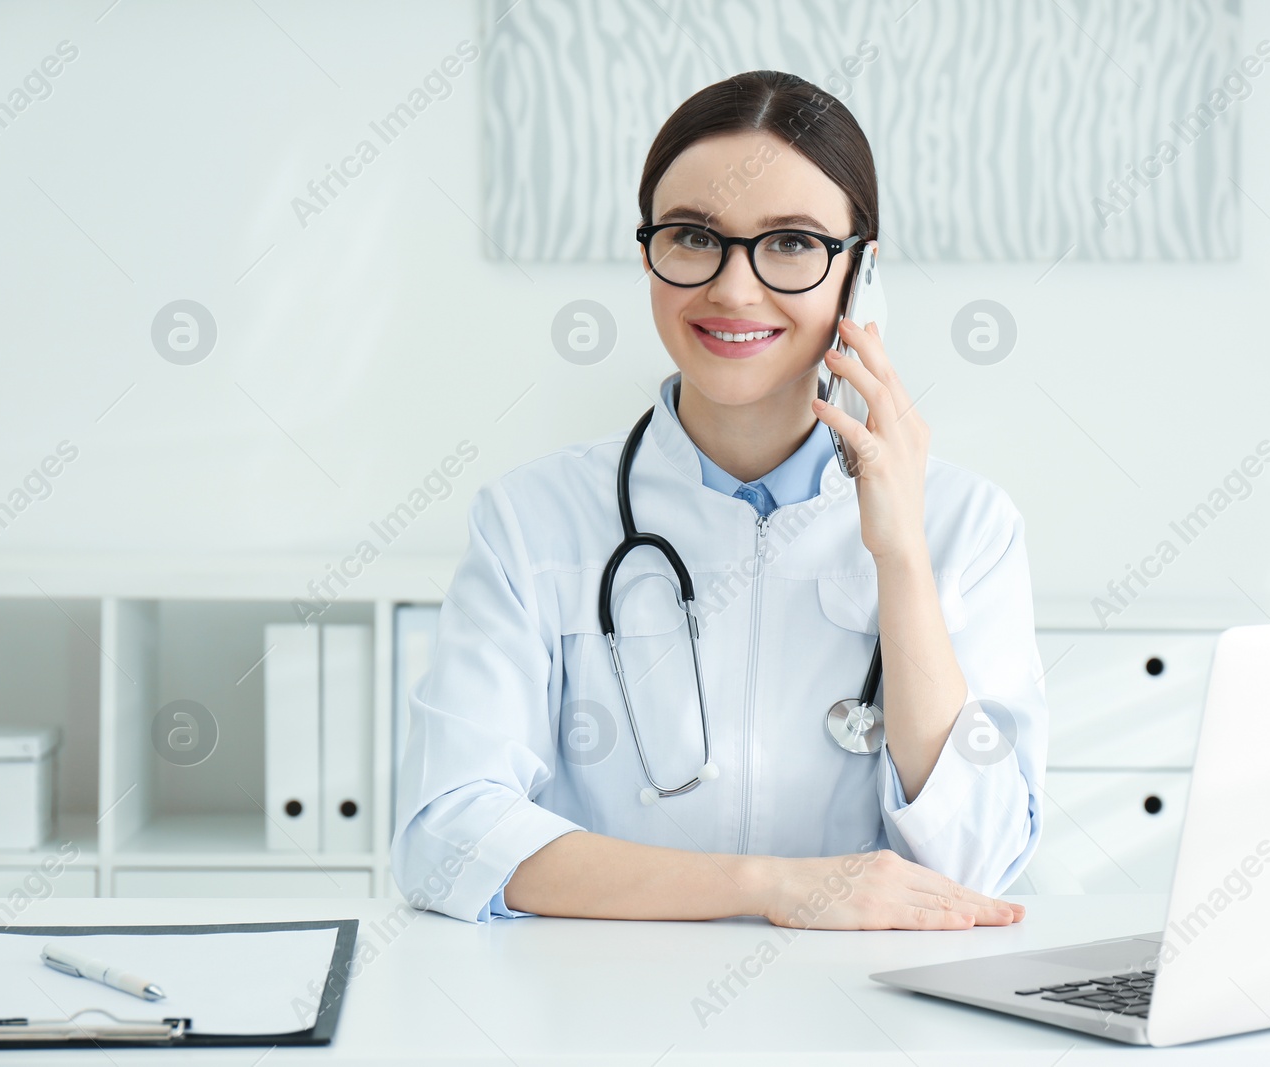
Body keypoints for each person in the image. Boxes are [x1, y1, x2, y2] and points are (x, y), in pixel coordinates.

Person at [392, 69, 1047, 929]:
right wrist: (771, 887)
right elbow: (447, 835)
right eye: (696, 236)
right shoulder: (532, 519)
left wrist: (901, 554)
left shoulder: (967, 525)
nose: (734, 289)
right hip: (599, 1010)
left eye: (791, 243)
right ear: (648, 254)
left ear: (861, 274)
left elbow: (975, 863)